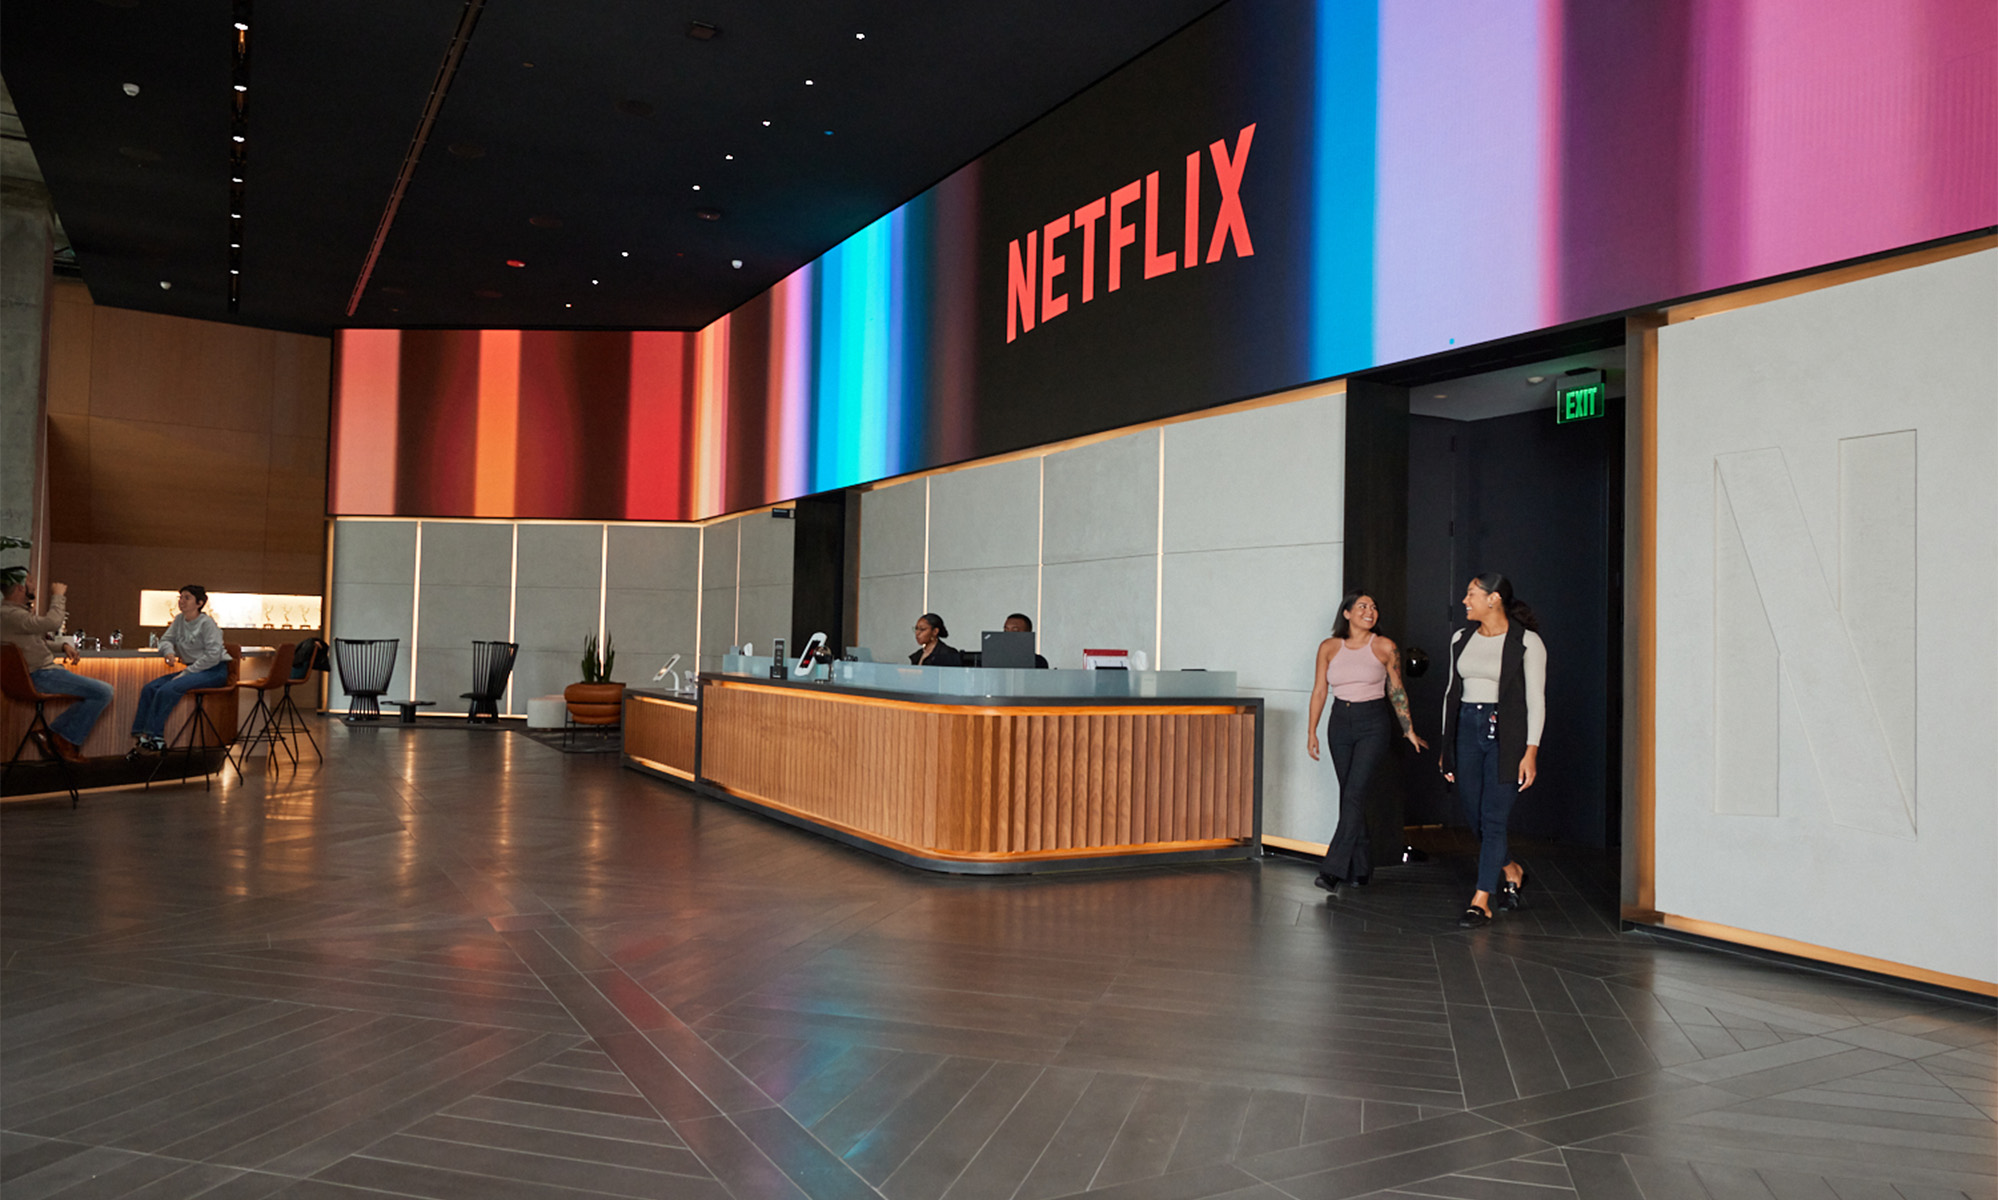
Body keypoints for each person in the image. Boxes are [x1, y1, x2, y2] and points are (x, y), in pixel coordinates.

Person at [1439, 572, 1546, 928]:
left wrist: (1531, 751)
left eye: (1471, 594)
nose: (1465, 601)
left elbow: (1535, 700)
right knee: (1474, 815)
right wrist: (1446, 744)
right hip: (1466, 729)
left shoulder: (1527, 642)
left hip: (1506, 735)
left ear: (1494, 598)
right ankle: (1511, 869)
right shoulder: (1460, 638)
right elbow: (1450, 693)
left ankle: (1481, 899)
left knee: (1494, 819)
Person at [1306, 591, 1425, 893]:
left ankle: (1333, 870)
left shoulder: (1385, 646)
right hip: (1339, 723)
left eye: (1374, 607)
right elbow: (1320, 690)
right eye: (1362, 606)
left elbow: (1396, 690)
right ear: (1346, 613)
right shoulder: (1329, 647)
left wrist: (1407, 728)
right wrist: (1312, 731)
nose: (1370, 611)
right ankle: (1361, 869)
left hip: (1372, 723)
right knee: (1349, 794)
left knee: (1354, 794)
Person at [1, 569, 114, 761]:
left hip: (39, 673)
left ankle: (52, 735)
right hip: (39, 675)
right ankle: (62, 738)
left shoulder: (12, 615)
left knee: (95, 693)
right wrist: (58, 596)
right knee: (104, 691)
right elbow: (52, 623)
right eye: (30, 581)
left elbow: (34, 642)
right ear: (20, 588)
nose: (34, 584)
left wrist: (62, 645)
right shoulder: (10, 615)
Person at [130, 585, 232, 755]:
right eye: (180, 597)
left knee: (169, 688)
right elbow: (165, 640)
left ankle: (156, 738)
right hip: (194, 669)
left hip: (213, 670)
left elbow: (213, 656)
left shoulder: (207, 624)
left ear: (199, 603)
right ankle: (142, 735)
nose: (181, 601)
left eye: (187, 598)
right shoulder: (179, 620)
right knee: (149, 688)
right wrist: (169, 651)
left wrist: (186, 673)